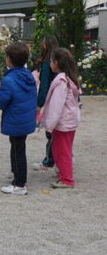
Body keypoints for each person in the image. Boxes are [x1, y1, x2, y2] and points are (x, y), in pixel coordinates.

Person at [0, 42, 37, 195]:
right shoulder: (28, 75)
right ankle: (15, 173)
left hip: (16, 119)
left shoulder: (9, 80)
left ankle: (20, 184)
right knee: (17, 147)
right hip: (24, 119)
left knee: (18, 150)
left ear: (10, 59)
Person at [41, 48, 81, 188]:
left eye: (51, 61)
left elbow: (56, 106)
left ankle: (67, 179)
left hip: (62, 122)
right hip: (70, 121)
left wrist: (49, 125)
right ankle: (64, 173)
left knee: (61, 151)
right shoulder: (70, 79)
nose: (50, 63)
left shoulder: (61, 81)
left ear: (56, 63)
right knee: (65, 149)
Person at [32, 36, 59, 171]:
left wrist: (39, 103)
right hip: (59, 99)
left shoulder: (47, 64)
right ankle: (56, 159)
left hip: (50, 99)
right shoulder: (60, 61)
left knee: (50, 132)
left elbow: (44, 85)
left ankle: (49, 161)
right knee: (57, 131)